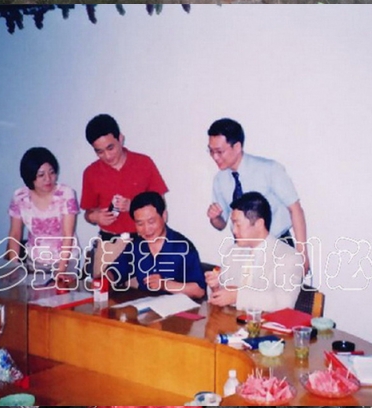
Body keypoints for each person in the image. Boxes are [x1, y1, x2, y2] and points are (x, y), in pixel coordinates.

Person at [206, 118, 310, 273]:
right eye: (211, 151)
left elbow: (295, 209)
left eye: (219, 151)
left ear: (237, 147)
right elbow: (221, 224)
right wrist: (215, 218)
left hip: (277, 245)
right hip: (243, 250)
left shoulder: (269, 169)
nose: (215, 157)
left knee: (280, 289)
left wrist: (302, 254)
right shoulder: (220, 180)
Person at [80, 114, 168, 275]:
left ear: (120, 139)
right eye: (99, 152)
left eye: (110, 148)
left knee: (146, 290)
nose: (107, 156)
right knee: (103, 289)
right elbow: (88, 213)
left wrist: (134, 206)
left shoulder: (144, 163)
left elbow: (162, 210)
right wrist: (95, 217)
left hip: (143, 244)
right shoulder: (91, 173)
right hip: (109, 245)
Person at [205, 191, 303, 312]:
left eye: (238, 224)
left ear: (259, 224)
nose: (234, 230)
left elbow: (284, 303)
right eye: (232, 224)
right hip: (230, 321)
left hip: (266, 323)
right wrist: (215, 287)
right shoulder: (232, 252)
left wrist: (237, 296)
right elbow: (223, 296)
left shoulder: (288, 257)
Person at [109, 191, 206, 299]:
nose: (146, 229)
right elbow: (115, 271)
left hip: (178, 307)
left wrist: (165, 284)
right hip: (146, 305)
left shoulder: (183, 247)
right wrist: (104, 279)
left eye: (151, 222)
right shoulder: (137, 245)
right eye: (140, 224)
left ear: (164, 216)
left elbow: (199, 290)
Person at [7, 147, 79, 274]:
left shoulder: (65, 193)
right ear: (30, 176)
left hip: (66, 261)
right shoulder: (20, 196)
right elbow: (15, 234)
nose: (48, 179)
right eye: (41, 175)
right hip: (36, 261)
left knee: (60, 287)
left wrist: (61, 270)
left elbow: (67, 234)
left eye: (52, 172)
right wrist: (14, 267)